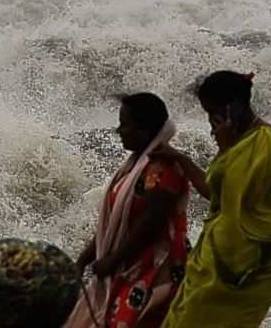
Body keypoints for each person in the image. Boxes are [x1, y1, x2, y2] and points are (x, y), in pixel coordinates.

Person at [161, 71, 271, 328]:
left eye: (214, 112)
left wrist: (226, 148)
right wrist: (179, 158)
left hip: (252, 260)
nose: (211, 121)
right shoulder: (237, 142)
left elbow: (239, 197)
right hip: (219, 257)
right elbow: (214, 192)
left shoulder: (264, 141)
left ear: (234, 107)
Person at [65, 92, 190, 328]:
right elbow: (113, 225)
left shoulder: (160, 168)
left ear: (145, 130)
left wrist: (113, 259)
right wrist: (84, 260)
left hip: (155, 270)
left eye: (125, 125)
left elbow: (152, 222)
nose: (119, 131)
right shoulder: (134, 168)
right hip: (131, 265)